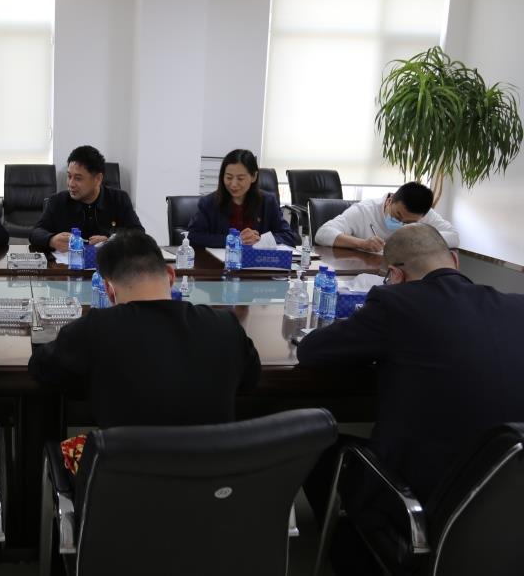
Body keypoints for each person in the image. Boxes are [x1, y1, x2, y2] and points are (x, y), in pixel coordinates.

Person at [299, 224, 524, 574]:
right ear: (454, 260)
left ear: (396, 275)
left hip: (422, 503)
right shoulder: (517, 307)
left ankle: (364, 558)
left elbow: (312, 352)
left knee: (317, 448)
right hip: (507, 498)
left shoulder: (395, 303)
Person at [29, 230, 260, 431]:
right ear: (171, 276)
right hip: (215, 467)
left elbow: (42, 369)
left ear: (109, 290)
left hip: (124, 467)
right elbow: (250, 381)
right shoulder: (225, 326)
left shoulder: (94, 328)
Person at [30, 145, 143, 252]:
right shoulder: (57, 201)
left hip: (108, 264)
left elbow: (139, 235)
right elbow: (35, 233)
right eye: (69, 176)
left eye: (78, 178)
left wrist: (111, 241)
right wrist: (51, 240)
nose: (71, 184)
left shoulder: (119, 199)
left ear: (98, 179)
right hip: (67, 264)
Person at [187, 149, 297, 248]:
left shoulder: (268, 202)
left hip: (256, 262)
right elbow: (193, 236)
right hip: (220, 262)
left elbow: (289, 236)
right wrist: (233, 240)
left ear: (253, 177)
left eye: (240, 178)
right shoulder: (209, 202)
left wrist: (260, 240)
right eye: (229, 177)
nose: (233, 184)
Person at [314, 181, 459, 251]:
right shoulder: (364, 210)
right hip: (363, 274)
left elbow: (453, 237)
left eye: (409, 222)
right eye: (398, 215)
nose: (401, 223)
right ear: (390, 200)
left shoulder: (425, 214)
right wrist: (362, 243)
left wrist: (419, 239)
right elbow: (323, 234)